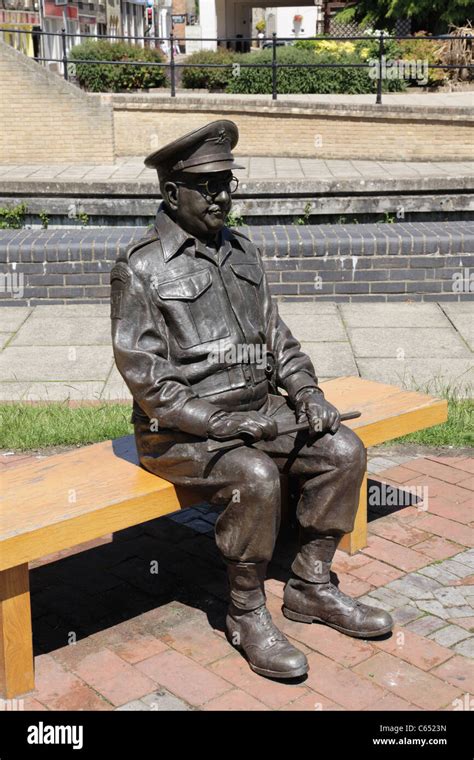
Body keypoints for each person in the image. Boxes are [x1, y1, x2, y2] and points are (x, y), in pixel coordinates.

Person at [110, 120, 393, 680]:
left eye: (227, 183)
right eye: (208, 186)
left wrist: (307, 393)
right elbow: (150, 383)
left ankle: (311, 585)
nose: (223, 196)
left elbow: (279, 340)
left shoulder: (243, 250)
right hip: (179, 433)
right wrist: (219, 421)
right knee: (256, 477)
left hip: (262, 411)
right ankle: (244, 612)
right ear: (172, 193)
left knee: (343, 450)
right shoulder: (139, 267)